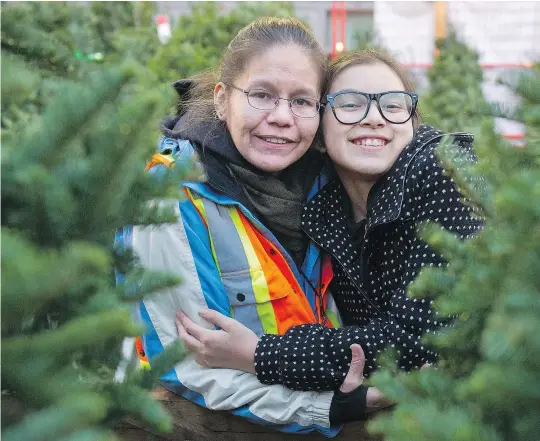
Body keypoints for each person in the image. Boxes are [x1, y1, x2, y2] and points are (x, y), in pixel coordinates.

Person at [118, 18, 383, 436]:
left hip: (300, 405)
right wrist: (331, 406)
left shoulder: (323, 183)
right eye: (261, 95)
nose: (281, 117)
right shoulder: (172, 194)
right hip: (196, 421)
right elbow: (185, 367)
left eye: (301, 101)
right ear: (222, 100)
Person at [176, 49, 484, 394]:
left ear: (413, 124)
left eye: (394, 105)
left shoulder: (445, 170)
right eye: (351, 104)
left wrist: (262, 355)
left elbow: (426, 338)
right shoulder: (322, 210)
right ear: (319, 130)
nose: (374, 118)